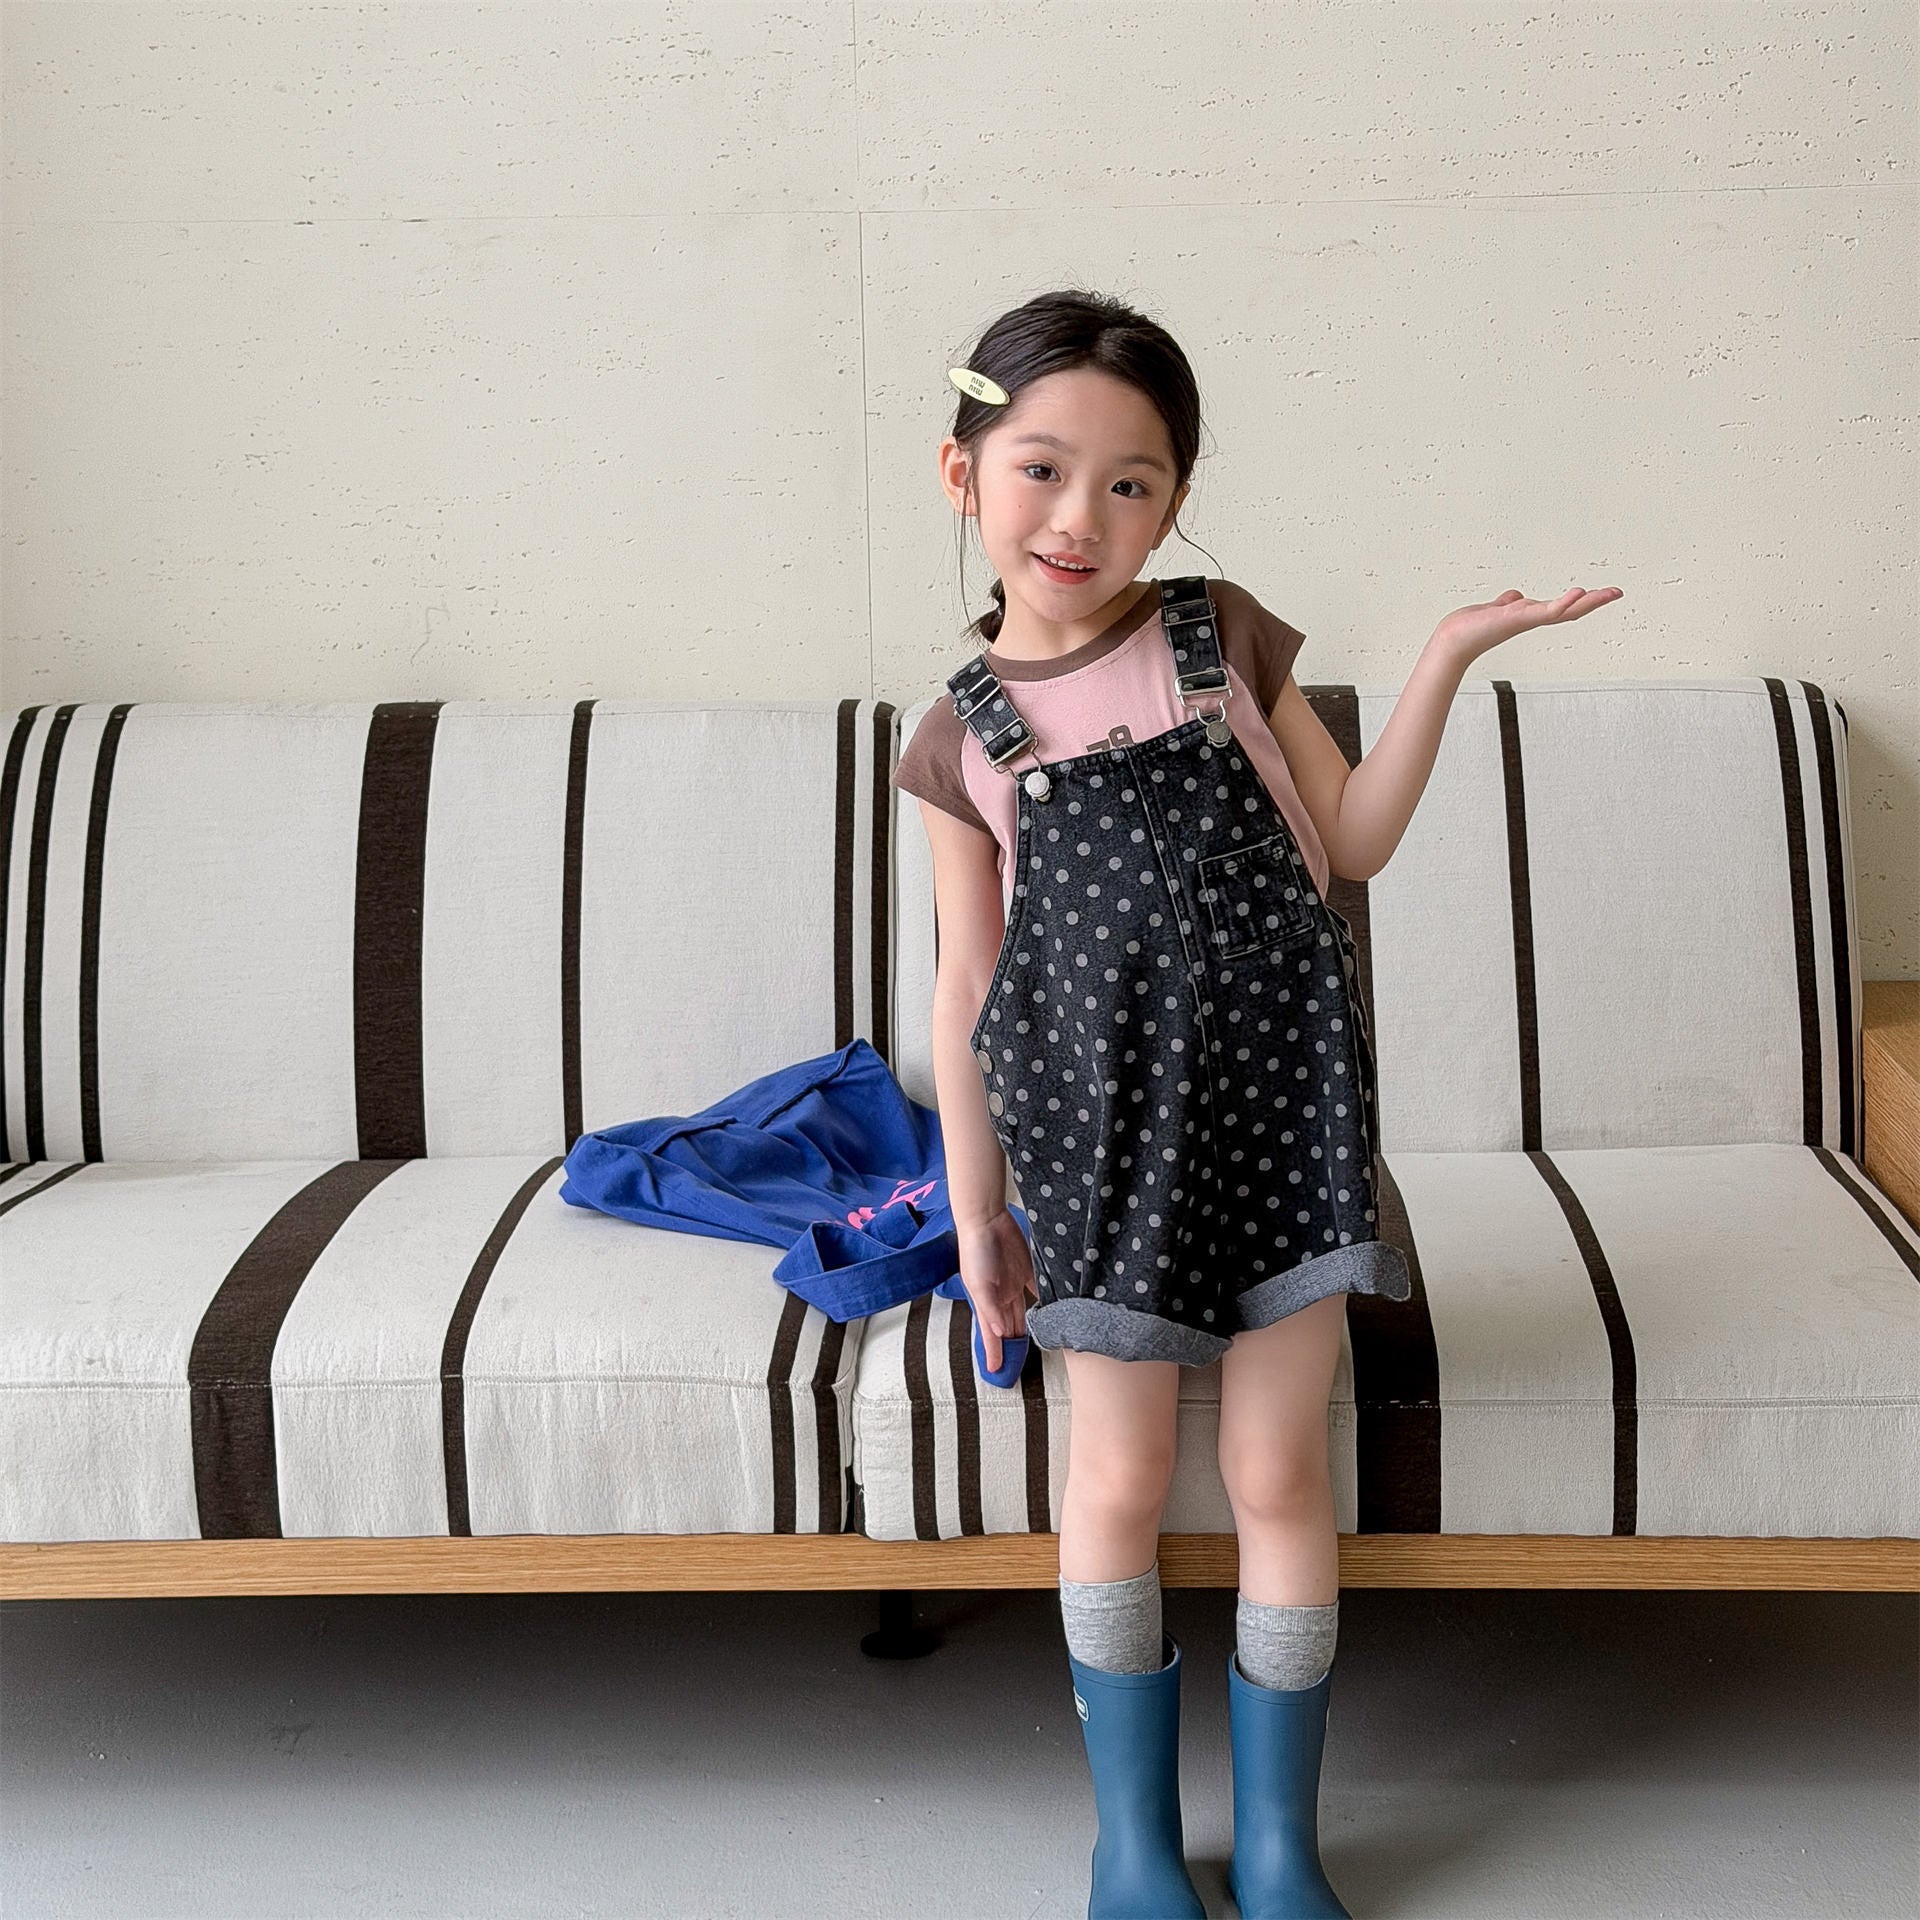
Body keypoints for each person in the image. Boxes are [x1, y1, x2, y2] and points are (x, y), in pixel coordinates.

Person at [893, 288, 1623, 1919]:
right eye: (1042, 468)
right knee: (1116, 1483)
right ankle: (1135, 1847)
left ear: (1174, 501)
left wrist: (1443, 655)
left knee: (1283, 1477)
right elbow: (965, 993)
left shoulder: (1216, 637)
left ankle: (1284, 1843)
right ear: (963, 474)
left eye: (1132, 482)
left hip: (1287, 1132)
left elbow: (1351, 843)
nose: (1081, 517)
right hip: (1098, 1160)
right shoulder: (961, 738)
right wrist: (978, 1214)